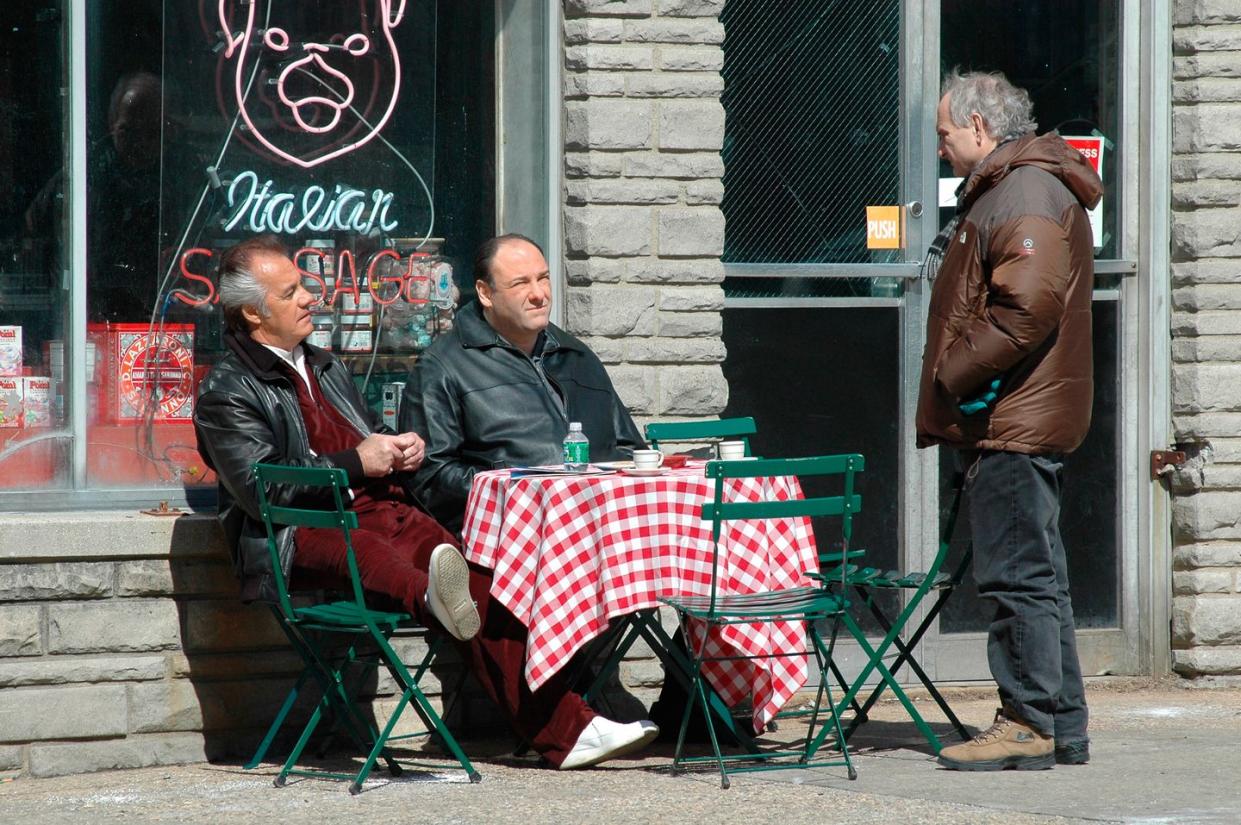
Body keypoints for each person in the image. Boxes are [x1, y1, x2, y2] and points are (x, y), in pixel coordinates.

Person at [193, 235, 658, 770]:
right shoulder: (228, 389)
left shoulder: (322, 364)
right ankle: (440, 601)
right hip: (301, 531)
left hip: (383, 510)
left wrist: (399, 445)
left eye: (303, 286)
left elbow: (365, 438)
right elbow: (260, 489)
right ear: (253, 313)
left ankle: (570, 728)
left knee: (489, 588)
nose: (309, 298)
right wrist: (355, 463)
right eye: (291, 292)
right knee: (374, 555)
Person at [915, 70, 1103, 772]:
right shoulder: (1017, 187)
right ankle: (1059, 723)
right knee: (1037, 575)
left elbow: (1026, 307)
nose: (940, 149)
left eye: (943, 134)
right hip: (1020, 413)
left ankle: (1026, 717)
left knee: (1016, 574)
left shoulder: (1021, 191)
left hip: (1011, 418)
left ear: (979, 129)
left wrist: (952, 370)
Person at [399, 233, 645, 535]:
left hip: (604, 530)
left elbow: (630, 449)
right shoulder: (443, 366)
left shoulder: (578, 357)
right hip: (509, 542)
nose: (539, 294)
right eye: (520, 284)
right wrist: (523, 497)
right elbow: (430, 477)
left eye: (543, 279)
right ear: (485, 293)